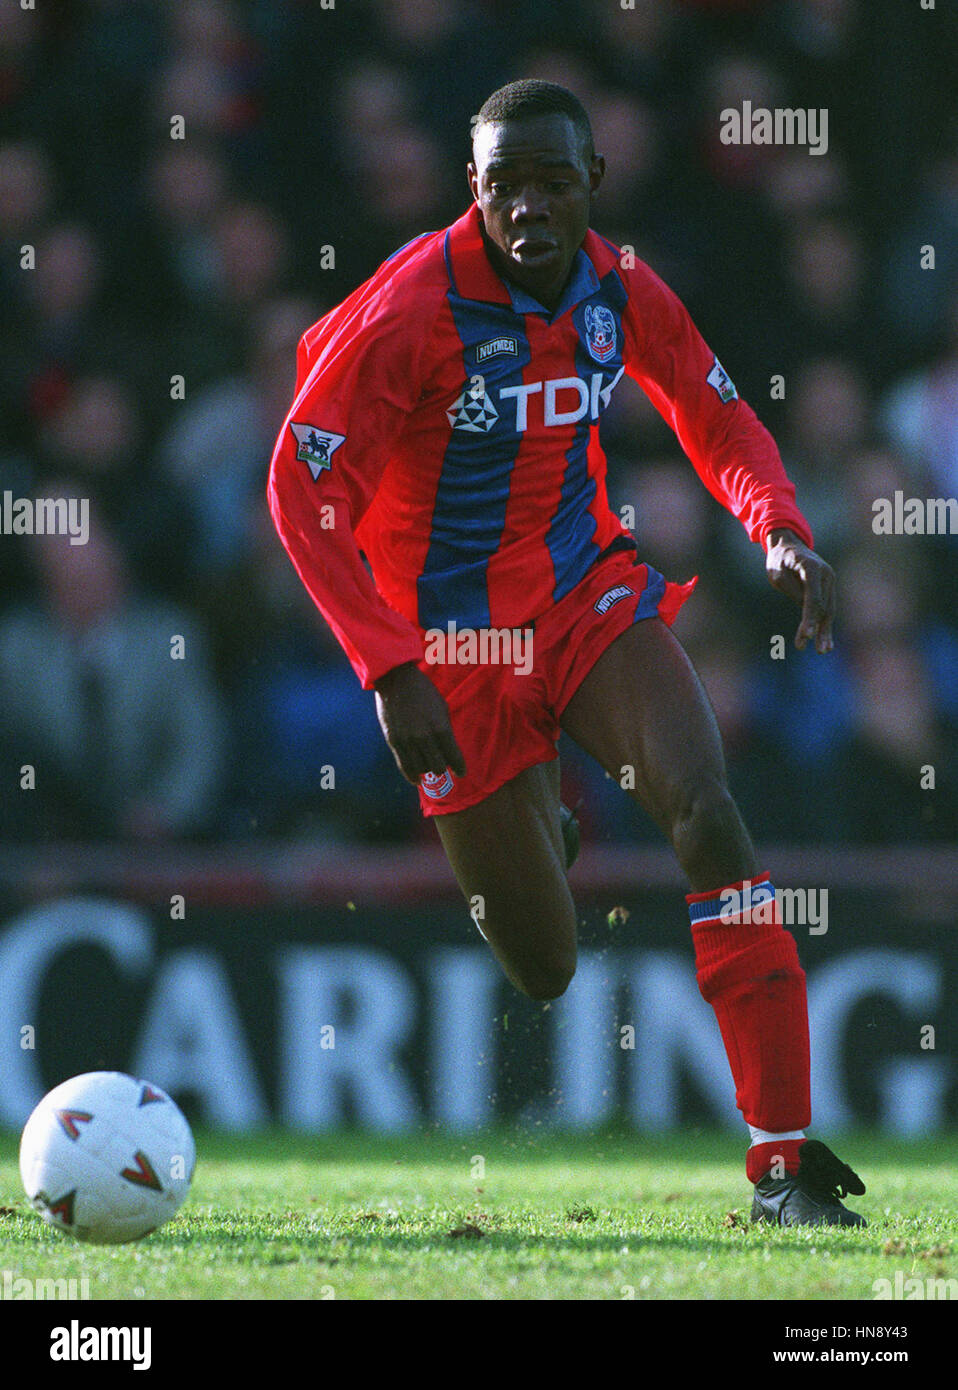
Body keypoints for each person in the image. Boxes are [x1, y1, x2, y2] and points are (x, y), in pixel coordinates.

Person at [268, 79, 865, 1226]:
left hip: (586, 596)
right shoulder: (411, 313)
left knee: (705, 807)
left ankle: (781, 1163)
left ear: (593, 182)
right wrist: (389, 667)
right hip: (447, 651)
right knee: (543, 967)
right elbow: (301, 486)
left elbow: (709, 405)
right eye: (505, 187)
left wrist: (778, 527)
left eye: (552, 181)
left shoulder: (616, 285)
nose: (529, 207)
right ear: (473, 193)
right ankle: (533, 813)